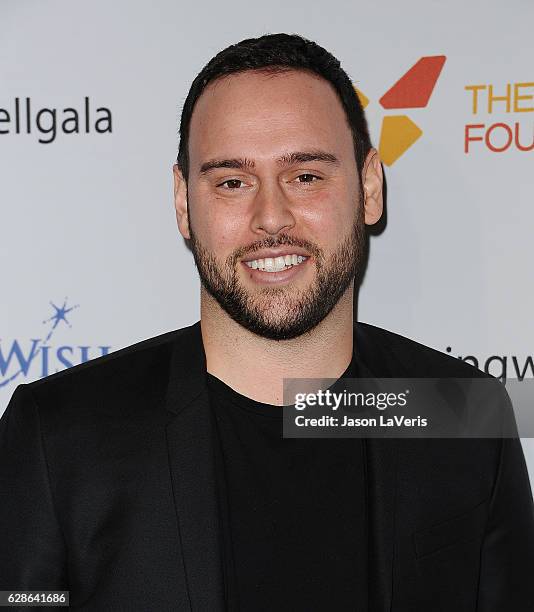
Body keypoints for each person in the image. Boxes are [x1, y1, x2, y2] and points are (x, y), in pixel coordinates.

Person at [1, 33, 533, 611]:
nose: (271, 216)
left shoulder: (461, 414)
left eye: (306, 175)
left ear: (369, 188)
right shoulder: (60, 438)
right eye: (232, 181)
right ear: (183, 203)